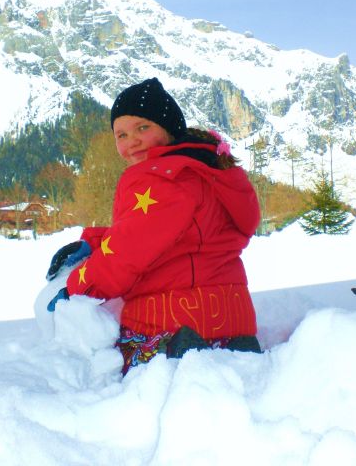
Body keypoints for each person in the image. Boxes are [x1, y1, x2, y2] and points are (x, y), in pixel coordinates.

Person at [47, 77, 261, 375]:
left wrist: (77, 287)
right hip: (236, 315)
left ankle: (176, 354)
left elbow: (125, 256)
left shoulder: (161, 178)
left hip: (172, 320)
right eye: (121, 134)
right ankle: (234, 345)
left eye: (142, 128)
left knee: (118, 357)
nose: (131, 141)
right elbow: (158, 233)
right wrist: (95, 242)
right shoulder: (209, 171)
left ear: (169, 129)